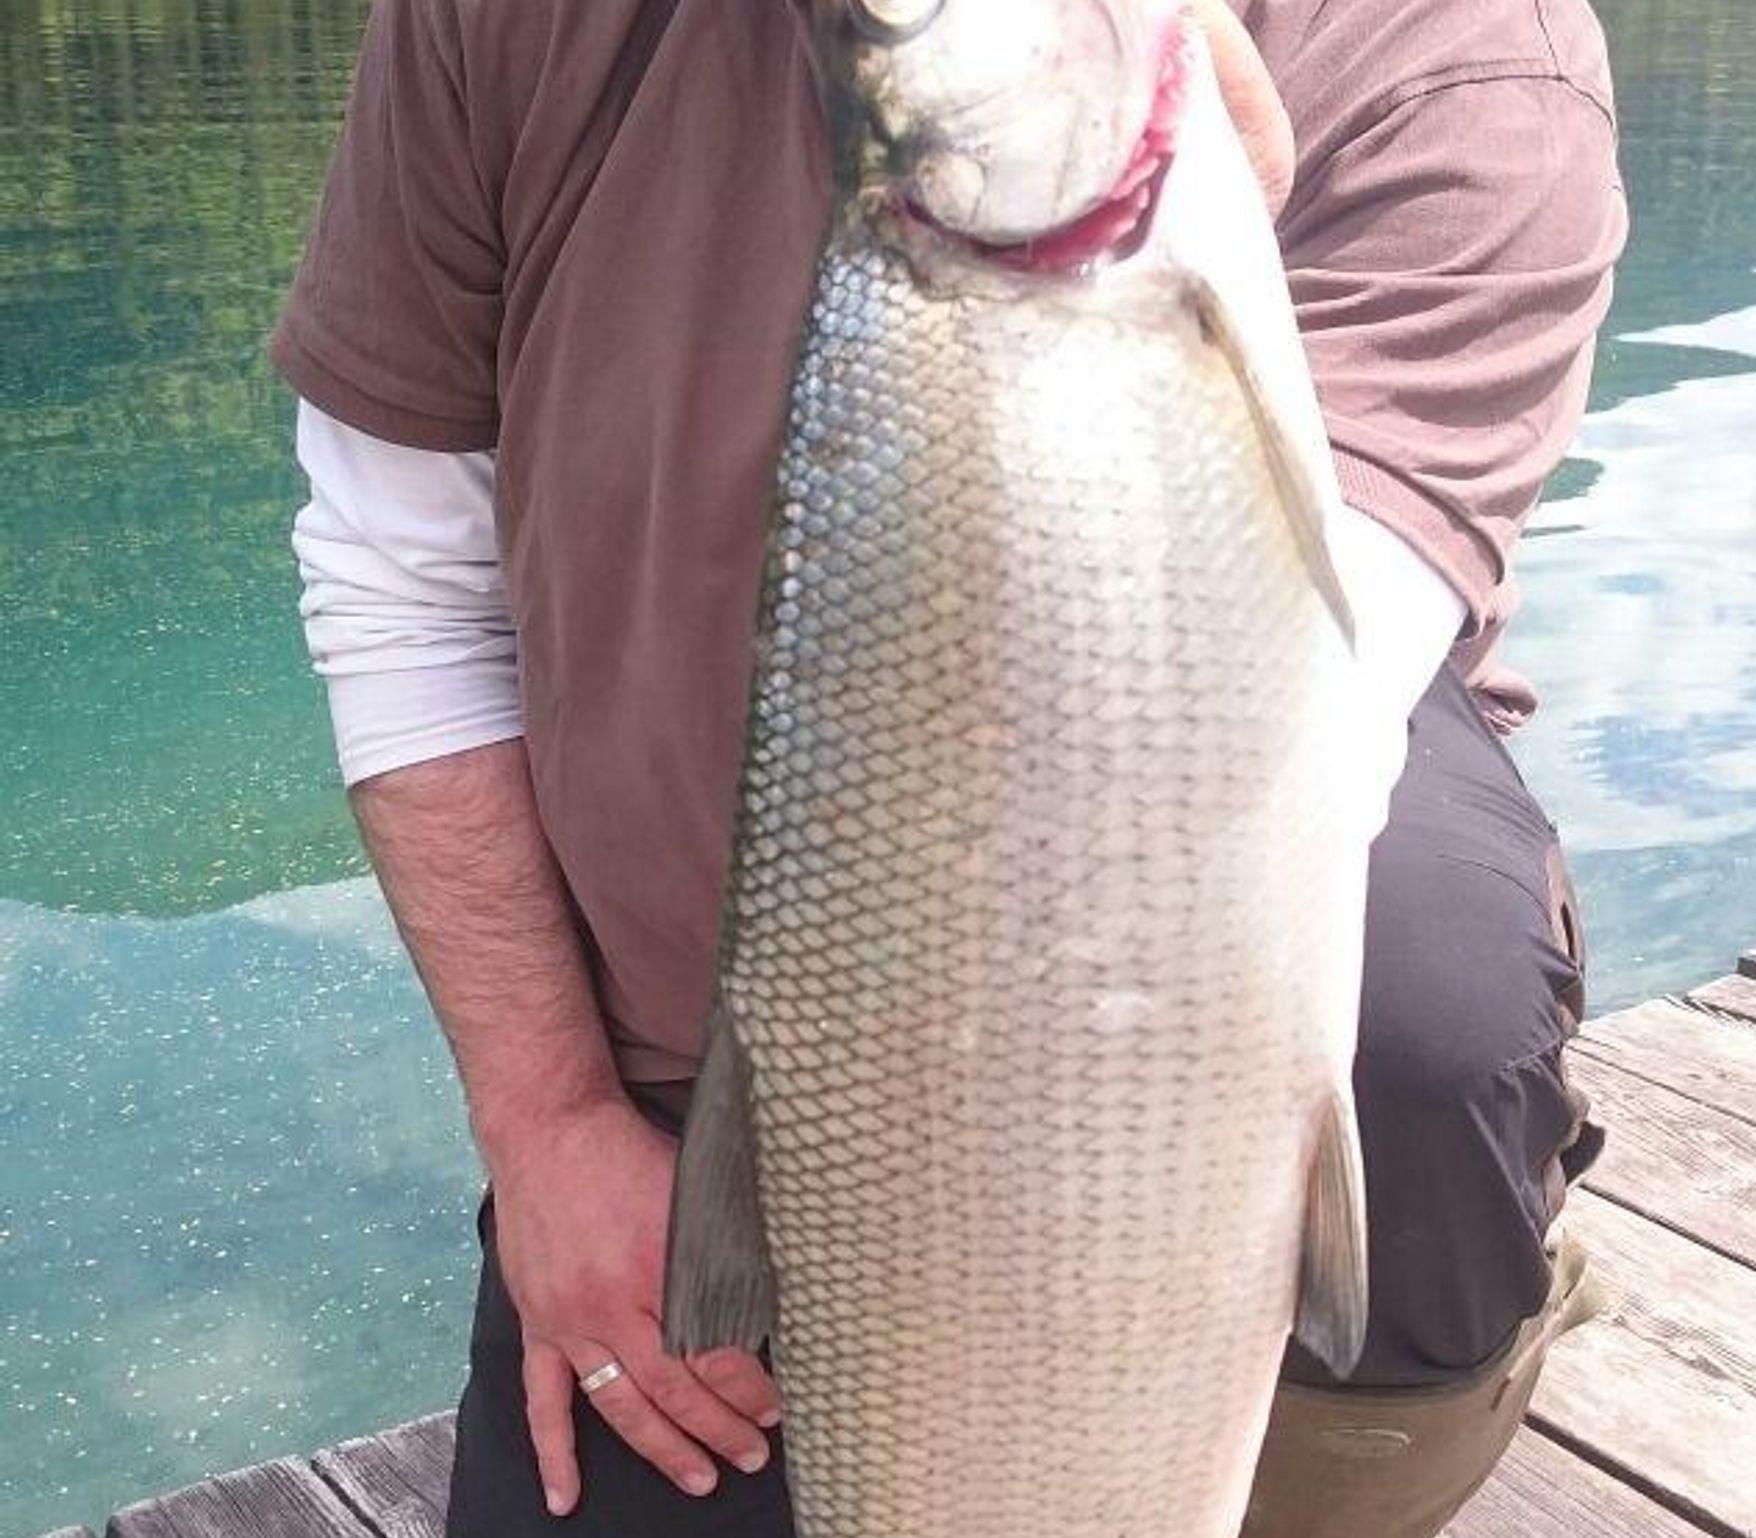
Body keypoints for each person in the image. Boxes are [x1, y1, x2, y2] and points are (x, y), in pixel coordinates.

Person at [275, 0, 1626, 1533]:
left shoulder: (1467, 55)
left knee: (1425, 1008)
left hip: (1147, 1036)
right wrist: (548, 1128)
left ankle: (1356, 1425)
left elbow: (1245, 749)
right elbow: (401, 583)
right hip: (677, 1080)